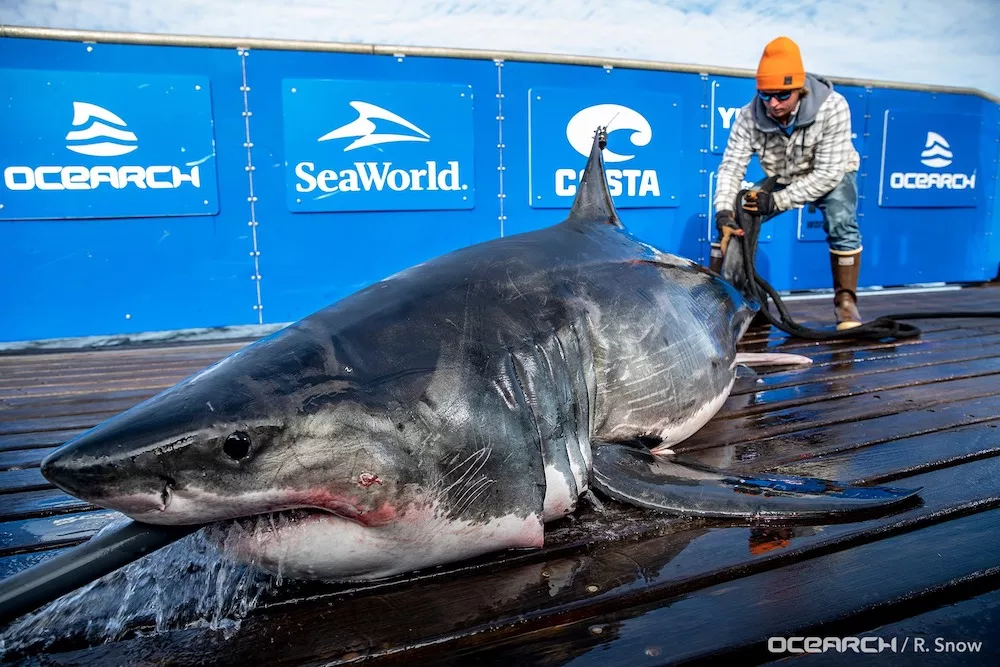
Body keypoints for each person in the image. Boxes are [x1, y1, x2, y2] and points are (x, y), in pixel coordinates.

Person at [710, 36, 863, 330]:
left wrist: (776, 201)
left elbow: (828, 174)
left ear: (799, 90)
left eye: (782, 95)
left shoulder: (834, 107)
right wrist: (724, 212)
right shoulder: (747, 116)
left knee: (841, 221)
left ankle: (846, 303)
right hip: (783, 176)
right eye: (765, 96)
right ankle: (741, 304)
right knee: (738, 215)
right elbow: (731, 167)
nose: (773, 104)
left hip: (833, 172)